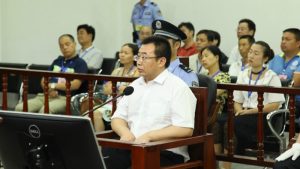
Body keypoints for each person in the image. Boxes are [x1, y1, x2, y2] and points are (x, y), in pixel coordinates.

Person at [102, 36, 197, 169]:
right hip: (132, 146)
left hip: (164, 151)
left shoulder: (178, 88)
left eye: (145, 57)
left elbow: (185, 129)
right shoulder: (134, 86)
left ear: (161, 61)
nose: (139, 62)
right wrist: (125, 133)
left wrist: (149, 136)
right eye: (138, 57)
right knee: (102, 159)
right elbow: (117, 118)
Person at [233, 41, 285, 155]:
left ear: (265, 58)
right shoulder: (242, 74)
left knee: (234, 123)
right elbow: (237, 100)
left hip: (263, 115)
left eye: (256, 53)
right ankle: (230, 158)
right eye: (250, 52)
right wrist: (239, 111)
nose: (251, 55)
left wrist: (248, 112)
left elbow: (274, 105)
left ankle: (237, 155)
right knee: (223, 122)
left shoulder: (272, 76)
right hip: (244, 114)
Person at [15, 34, 88, 114]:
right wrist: (49, 90)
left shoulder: (80, 63)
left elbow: (75, 85)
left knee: (45, 110)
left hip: (64, 98)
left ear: (74, 44)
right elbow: (44, 80)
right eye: (61, 46)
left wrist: (53, 86)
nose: (64, 47)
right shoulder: (57, 61)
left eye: (67, 44)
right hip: (46, 95)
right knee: (19, 108)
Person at [93, 43, 139, 132]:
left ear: (134, 56)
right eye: (121, 52)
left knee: (96, 114)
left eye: (126, 53)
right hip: (111, 101)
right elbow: (106, 90)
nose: (122, 55)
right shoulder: (117, 70)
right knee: (89, 113)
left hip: (125, 104)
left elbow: (128, 91)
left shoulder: (137, 71)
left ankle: (100, 142)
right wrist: (119, 88)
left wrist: (115, 89)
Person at [200, 45, 230, 161]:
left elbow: (212, 94)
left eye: (206, 56)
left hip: (214, 112)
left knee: (214, 126)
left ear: (217, 57)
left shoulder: (223, 76)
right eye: (201, 57)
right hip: (202, 110)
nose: (203, 59)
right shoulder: (203, 76)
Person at [152, 19, 198, 87]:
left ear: (176, 45)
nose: (158, 45)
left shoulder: (186, 75)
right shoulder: (150, 69)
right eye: (156, 42)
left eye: (163, 42)